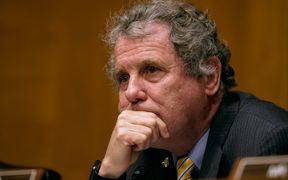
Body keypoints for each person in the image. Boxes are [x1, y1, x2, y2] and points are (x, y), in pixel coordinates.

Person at [89, 0, 288, 179]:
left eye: (151, 69)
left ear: (209, 77)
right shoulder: (141, 151)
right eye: (123, 77)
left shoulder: (264, 140)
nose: (131, 92)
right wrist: (109, 173)